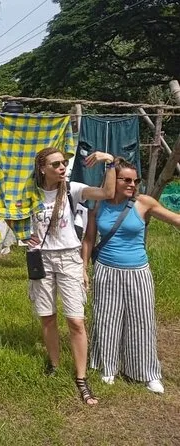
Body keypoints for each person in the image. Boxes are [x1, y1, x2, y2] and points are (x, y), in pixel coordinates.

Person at [82, 158, 180, 394]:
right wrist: (83, 268)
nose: (132, 184)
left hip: (138, 271)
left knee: (141, 320)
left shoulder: (143, 203)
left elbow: (176, 219)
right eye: (126, 179)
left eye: (135, 180)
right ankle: (108, 367)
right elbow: (89, 239)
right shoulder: (99, 205)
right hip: (106, 270)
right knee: (106, 319)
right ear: (112, 180)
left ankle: (147, 372)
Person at [27, 147, 115, 406]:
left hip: (69, 258)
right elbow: (16, 217)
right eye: (55, 164)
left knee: (76, 321)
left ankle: (81, 377)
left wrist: (109, 163)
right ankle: (54, 365)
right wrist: (24, 237)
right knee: (47, 317)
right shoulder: (31, 193)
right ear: (42, 168)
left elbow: (107, 193)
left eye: (63, 163)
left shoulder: (72, 189)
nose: (62, 167)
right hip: (41, 259)